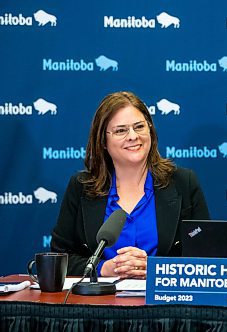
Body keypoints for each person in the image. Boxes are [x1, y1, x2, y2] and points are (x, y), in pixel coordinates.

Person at [51, 91, 210, 279]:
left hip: (164, 303)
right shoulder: (81, 186)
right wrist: (102, 268)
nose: (133, 136)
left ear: (150, 129)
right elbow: (59, 258)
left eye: (139, 127)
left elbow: (206, 257)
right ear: (103, 141)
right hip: (100, 304)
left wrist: (156, 268)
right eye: (120, 130)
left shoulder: (183, 182)